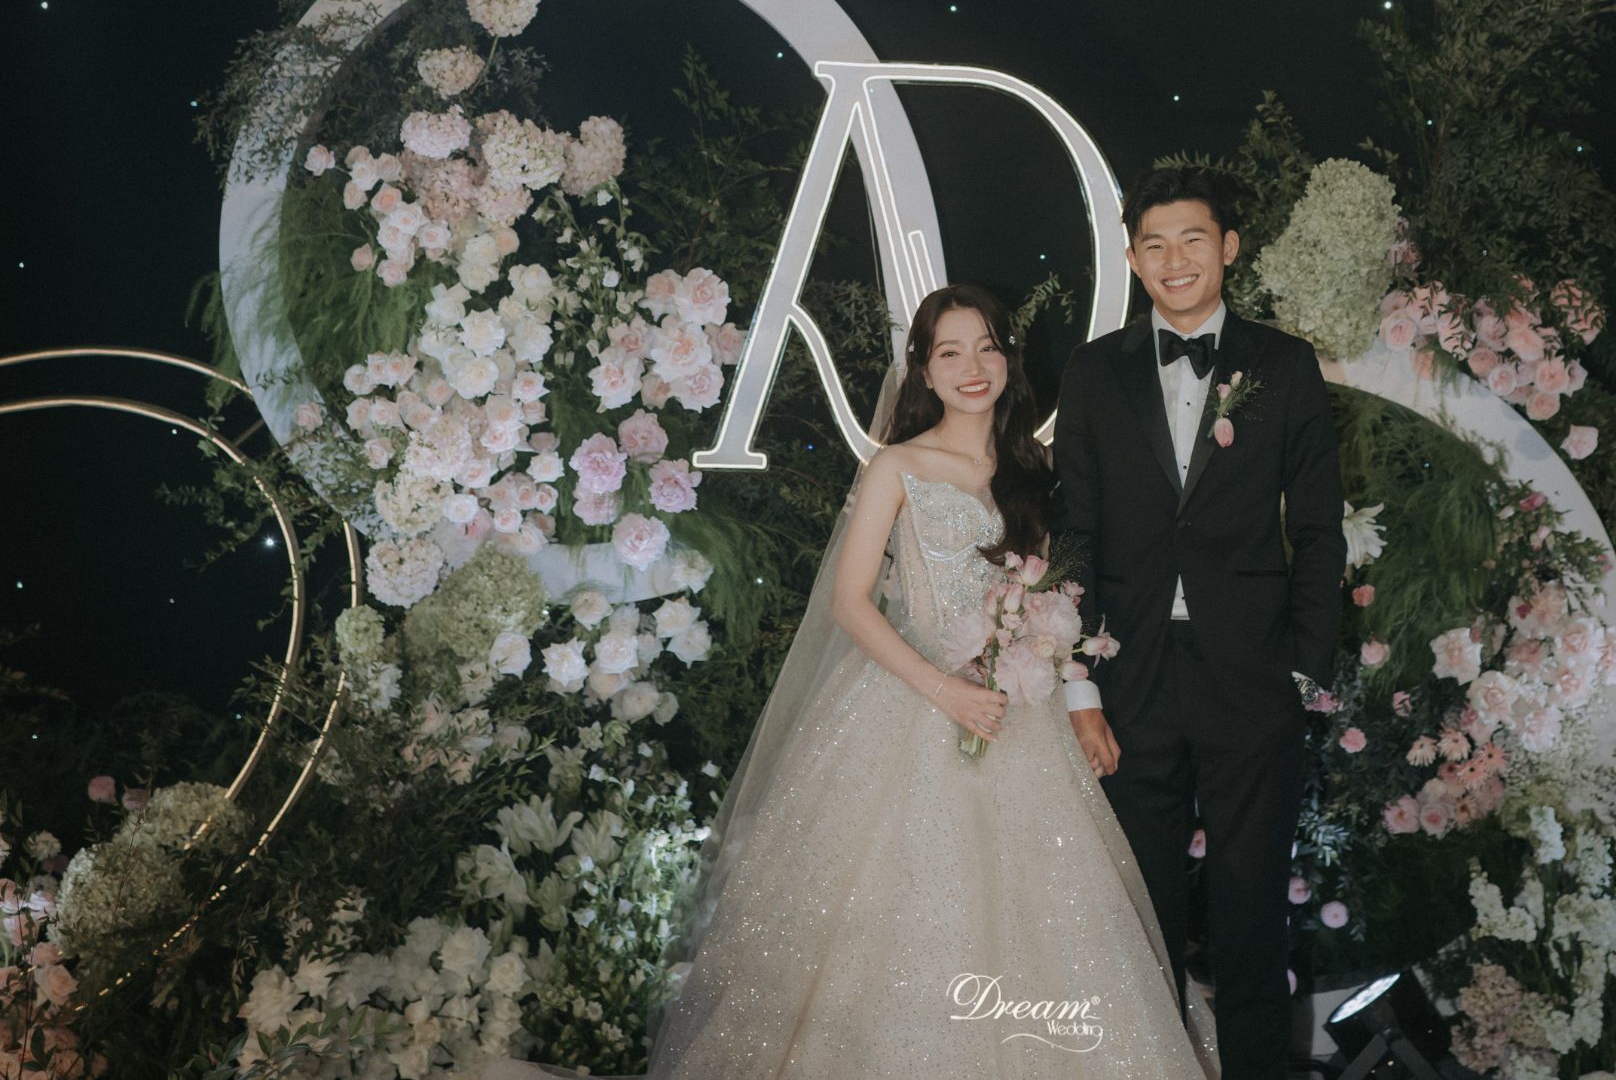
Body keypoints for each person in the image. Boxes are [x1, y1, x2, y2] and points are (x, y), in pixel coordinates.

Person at [486, 283, 1215, 1078]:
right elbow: (849, 601)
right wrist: (945, 689)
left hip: (1018, 717)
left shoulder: (1036, 470)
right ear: (924, 371)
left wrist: (1065, 683)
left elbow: (1056, 594)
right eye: (950, 352)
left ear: (1009, 360)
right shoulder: (898, 465)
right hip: (916, 705)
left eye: (987, 347)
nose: (972, 366)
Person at [1052, 168, 1345, 1080]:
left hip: (1251, 677)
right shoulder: (1093, 370)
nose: (1174, 259)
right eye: (1154, 243)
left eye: (1192, 239)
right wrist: (1079, 680)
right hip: (1130, 676)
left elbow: (1320, 528)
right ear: (1133, 258)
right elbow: (1075, 532)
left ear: (1229, 246)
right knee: (1138, 921)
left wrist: (1301, 667)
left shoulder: (1284, 364)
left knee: (1251, 919)